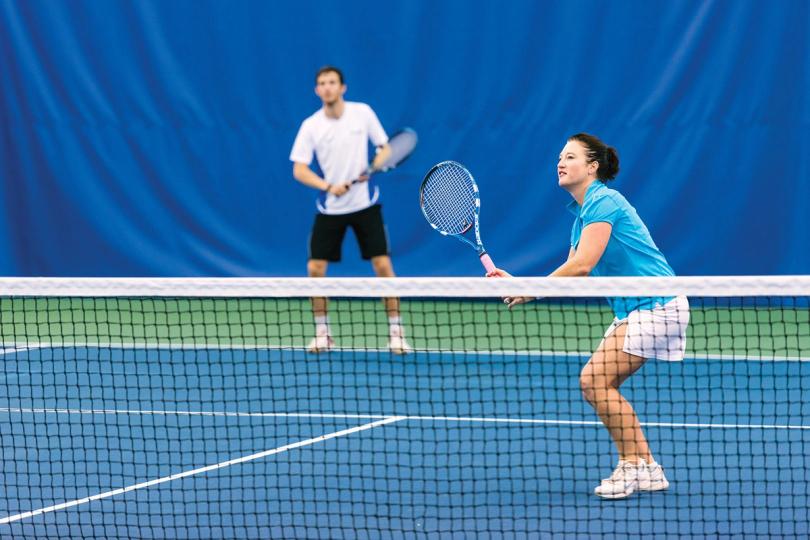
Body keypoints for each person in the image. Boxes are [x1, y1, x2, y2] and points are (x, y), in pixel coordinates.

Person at [487, 133, 689, 499]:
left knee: (594, 381)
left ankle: (630, 466)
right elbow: (572, 273)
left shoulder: (604, 201)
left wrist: (531, 289)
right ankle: (649, 468)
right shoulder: (582, 215)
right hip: (640, 308)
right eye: (559, 158)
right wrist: (520, 283)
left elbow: (582, 265)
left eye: (570, 157)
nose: (560, 163)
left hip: (657, 305)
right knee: (599, 383)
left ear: (592, 166)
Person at [289, 66, 411, 354]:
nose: (327, 87)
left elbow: (385, 149)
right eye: (322, 83)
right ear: (317, 90)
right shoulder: (311, 125)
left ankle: (396, 332)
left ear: (342, 87)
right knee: (315, 268)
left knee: (383, 265)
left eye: (332, 82)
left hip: (365, 205)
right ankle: (323, 333)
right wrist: (328, 186)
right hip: (330, 208)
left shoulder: (362, 113)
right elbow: (299, 169)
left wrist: (374, 165)